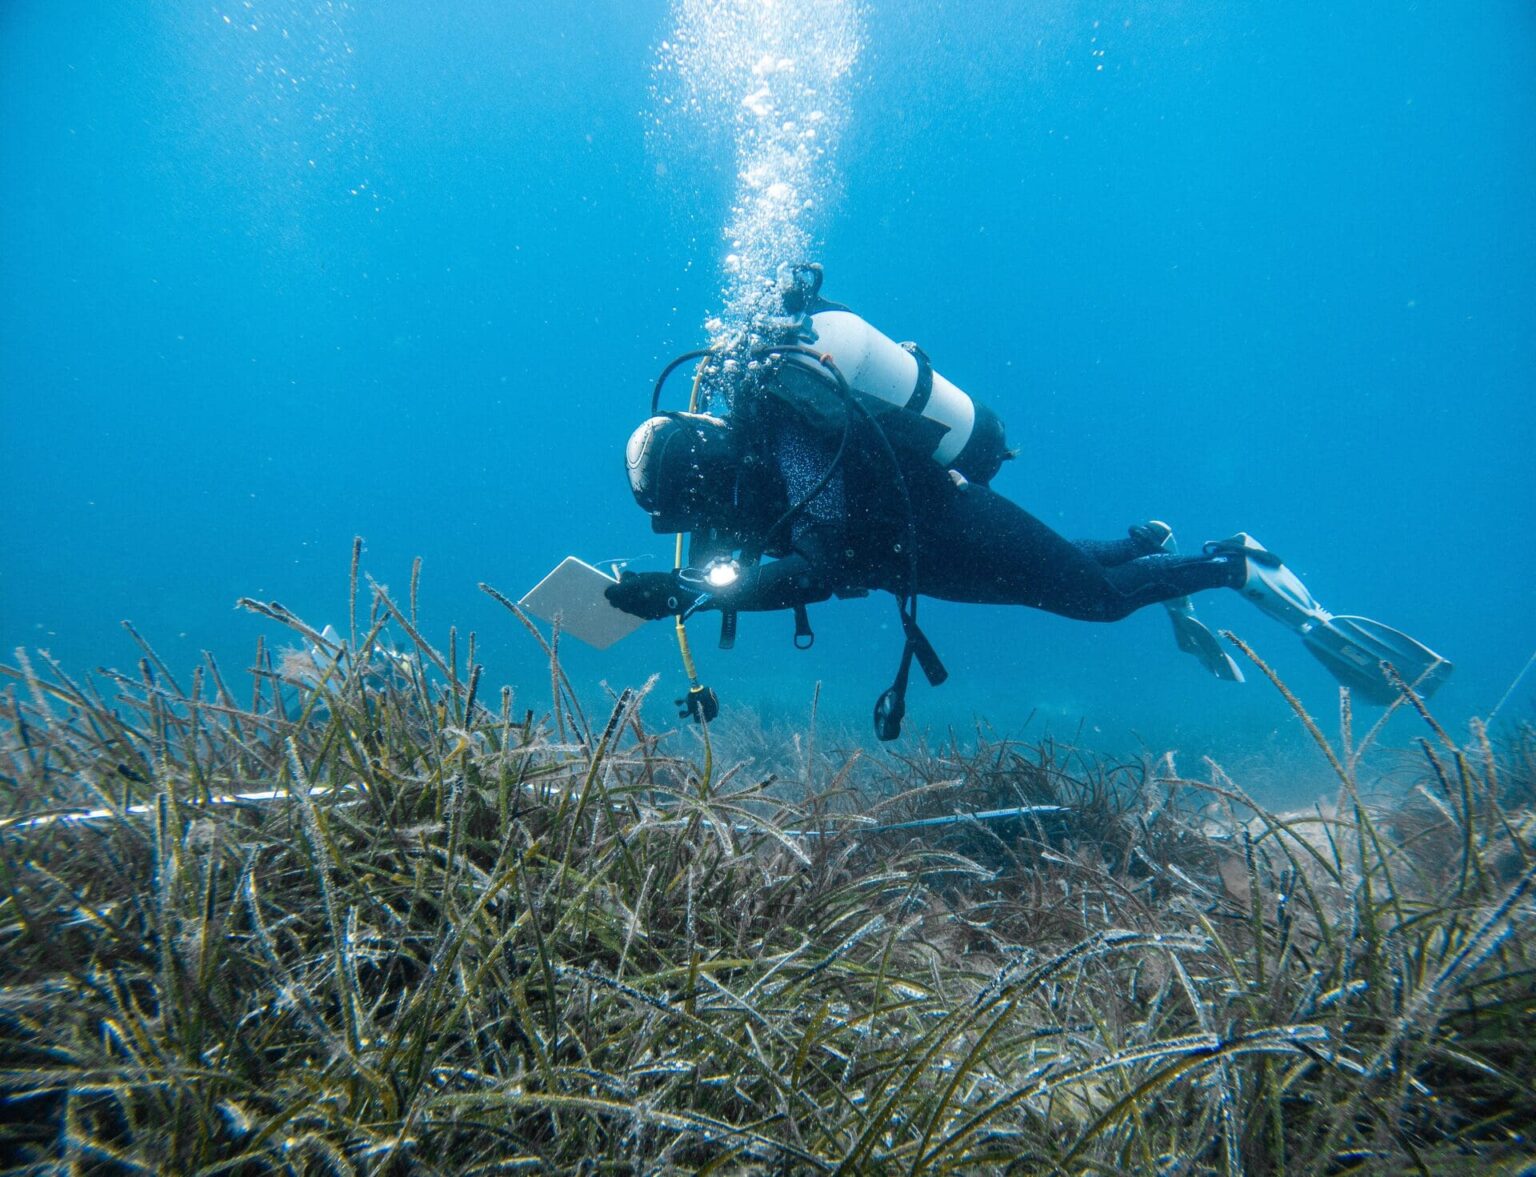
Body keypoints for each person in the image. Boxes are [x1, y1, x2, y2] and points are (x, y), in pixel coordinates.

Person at [606, 264, 1450, 737]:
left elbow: (822, 568)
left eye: (686, 508)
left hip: (945, 521)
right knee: (1059, 573)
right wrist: (688, 586)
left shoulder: (786, 441)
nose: (694, 524)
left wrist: (690, 591)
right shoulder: (751, 451)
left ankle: (1231, 563)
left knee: (1095, 603)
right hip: (929, 555)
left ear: (700, 468)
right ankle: (1140, 538)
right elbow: (790, 558)